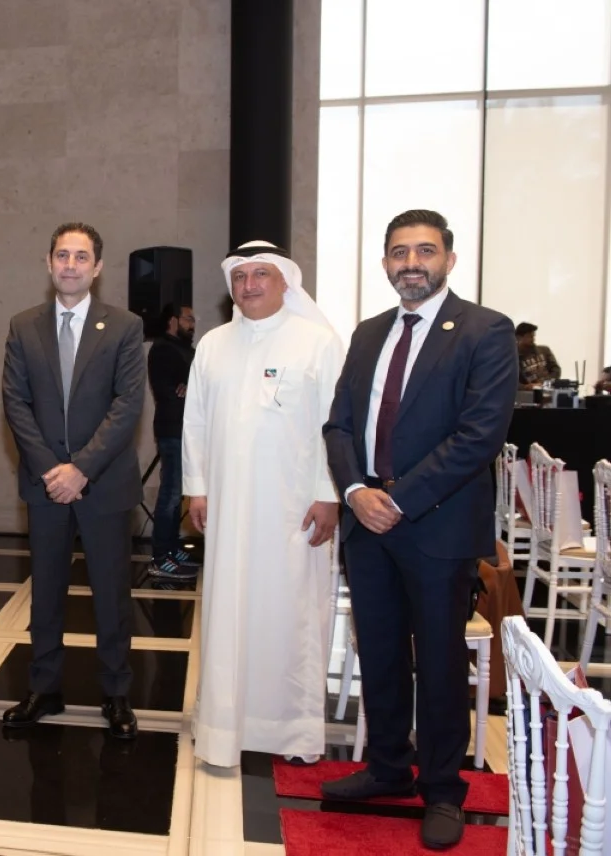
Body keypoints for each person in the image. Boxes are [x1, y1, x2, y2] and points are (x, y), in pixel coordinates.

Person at [321, 210, 517, 850]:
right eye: (400, 252)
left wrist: (398, 501)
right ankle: (387, 768)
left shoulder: (486, 331)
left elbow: (479, 436)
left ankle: (442, 789)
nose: (412, 263)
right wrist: (356, 492)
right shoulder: (368, 333)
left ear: (449, 260)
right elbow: (338, 425)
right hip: (367, 522)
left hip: (436, 524)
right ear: (385, 263)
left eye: (425, 251)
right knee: (379, 652)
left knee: (438, 661)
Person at [182, 241, 343, 767]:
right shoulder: (213, 345)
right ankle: (223, 726)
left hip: (293, 510)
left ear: (285, 282)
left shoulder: (317, 343)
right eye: (241, 276)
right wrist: (197, 487)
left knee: (290, 614)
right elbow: (195, 423)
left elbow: (335, 427)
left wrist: (329, 493)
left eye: (261, 275)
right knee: (227, 614)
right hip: (227, 508)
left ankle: (290, 730)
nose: (249, 285)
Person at [2, 221, 147, 739]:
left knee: (111, 594)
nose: (70, 265)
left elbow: (128, 404)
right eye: (62, 255)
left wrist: (81, 468)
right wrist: (52, 470)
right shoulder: (23, 326)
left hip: (104, 483)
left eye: (81, 257)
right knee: (46, 592)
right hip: (45, 485)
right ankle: (44, 688)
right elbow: (15, 402)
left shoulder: (125, 326)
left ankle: (116, 693)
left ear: (97, 267)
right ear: (48, 263)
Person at [147, 303, 197, 580]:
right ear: (173, 321)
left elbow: (198, 385)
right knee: (170, 493)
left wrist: (193, 389)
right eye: (188, 319)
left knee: (178, 494)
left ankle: (171, 548)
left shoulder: (186, 349)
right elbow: (170, 393)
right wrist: (189, 391)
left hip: (186, 431)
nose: (193, 324)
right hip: (173, 430)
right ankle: (160, 557)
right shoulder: (163, 349)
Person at [515, 321, 561, 387]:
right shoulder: (514, 358)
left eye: (533, 336)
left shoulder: (544, 350)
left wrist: (546, 383)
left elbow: (556, 369)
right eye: (529, 336)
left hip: (548, 388)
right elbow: (512, 381)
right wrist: (526, 387)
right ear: (518, 337)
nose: (533, 339)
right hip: (529, 392)